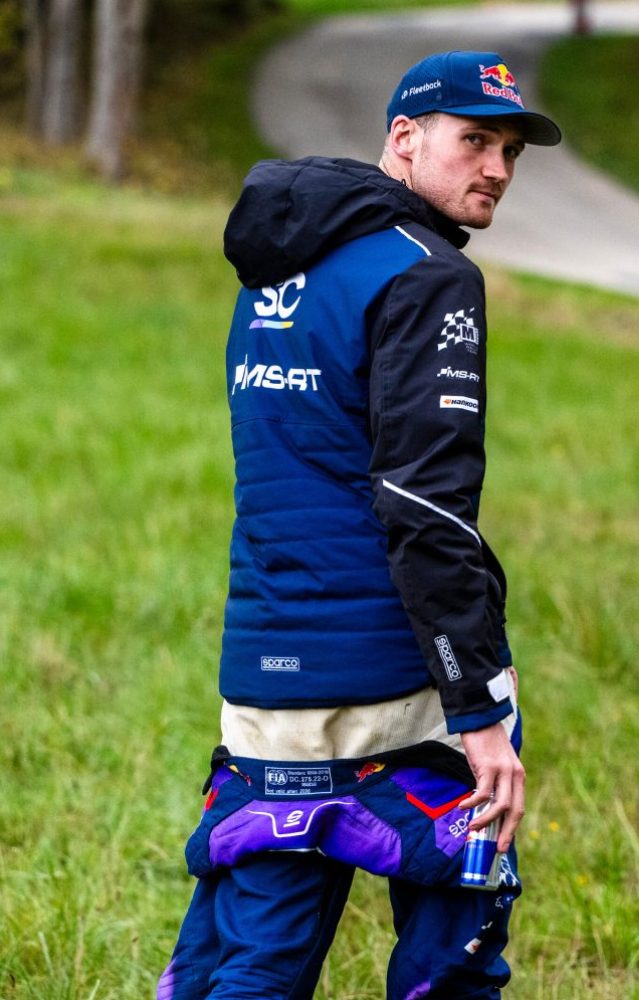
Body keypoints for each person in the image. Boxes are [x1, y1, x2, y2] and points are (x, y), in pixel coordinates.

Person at [156, 51, 560, 999]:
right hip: (398, 687)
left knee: (254, 965)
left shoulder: (274, 271)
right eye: (476, 141)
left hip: (267, 680)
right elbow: (426, 508)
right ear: (404, 138)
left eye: (509, 151)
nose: (497, 168)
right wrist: (479, 711)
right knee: (452, 964)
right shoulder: (428, 275)